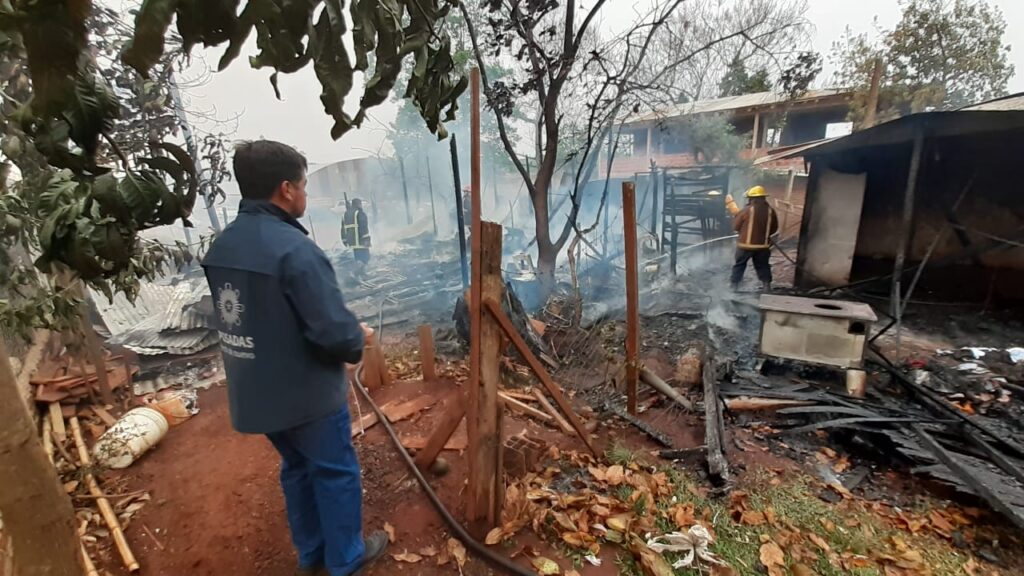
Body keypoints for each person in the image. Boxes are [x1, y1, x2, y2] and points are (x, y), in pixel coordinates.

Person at [202, 140, 387, 576]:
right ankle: (345, 560)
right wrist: (354, 337)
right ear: (286, 189)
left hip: (257, 395)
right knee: (335, 471)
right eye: (303, 185)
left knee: (297, 469)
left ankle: (310, 556)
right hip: (305, 395)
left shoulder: (224, 246)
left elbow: (261, 316)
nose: (305, 195)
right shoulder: (295, 250)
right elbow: (331, 332)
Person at [727, 185, 779, 291]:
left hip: (744, 246)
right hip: (762, 247)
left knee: (739, 265)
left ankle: (734, 286)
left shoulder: (746, 210)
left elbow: (736, 227)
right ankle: (766, 286)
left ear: (752, 198)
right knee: (763, 266)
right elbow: (774, 228)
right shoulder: (770, 211)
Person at [341, 198, 371, 269]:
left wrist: (344, 240)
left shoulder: (346, 214)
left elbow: (343, 229)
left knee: (358, 261)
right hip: (362, 243)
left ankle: (358, 275)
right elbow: (363, 227)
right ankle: (364, 276)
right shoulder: (360, 213)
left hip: (353, 245)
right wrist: (367, 240)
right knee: (365, 262)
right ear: (358, 204)